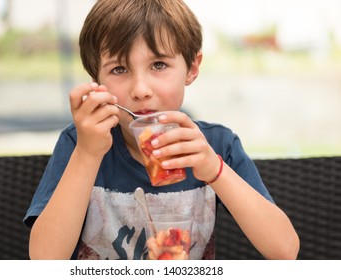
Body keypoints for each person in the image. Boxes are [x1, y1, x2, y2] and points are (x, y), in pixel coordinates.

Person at [24, 0, 299, 260]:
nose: (141, 90)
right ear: (97, 81)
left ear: (191, 68)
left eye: (159, 65)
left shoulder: (216, 145)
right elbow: (45, 259)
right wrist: (87, 153)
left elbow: (285, 250)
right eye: (119, 69)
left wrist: (214, 170)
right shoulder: (79, 144)